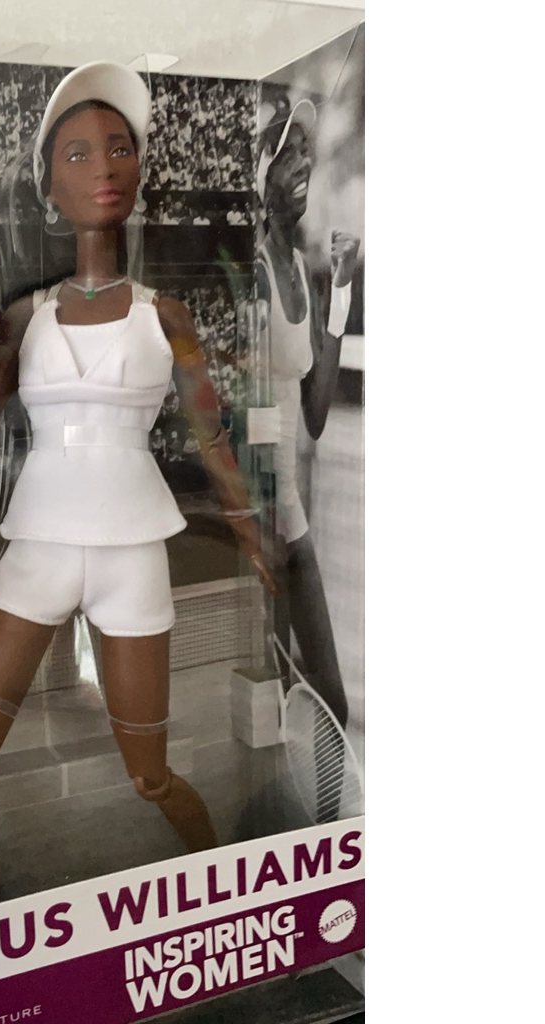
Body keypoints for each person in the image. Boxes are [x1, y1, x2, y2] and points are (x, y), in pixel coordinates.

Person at [0, 63, 275, 910]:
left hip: (135, 553)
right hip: (37, 553)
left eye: (119, 148)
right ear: (48, 186)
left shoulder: (167, 317)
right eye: (79, 153)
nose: (104, 167)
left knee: (152, 778)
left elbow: (211, 436)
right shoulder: (24, 318)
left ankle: (232, 909)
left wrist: (251, 534)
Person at [254, 93, 360, 735]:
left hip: (288, 517)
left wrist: (341, 289)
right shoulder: (250, 270)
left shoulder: (299, 267)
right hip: (254, 518)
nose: (303, 165)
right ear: (260, 173)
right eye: (287, 154)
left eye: (305, 152)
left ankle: (318, 797)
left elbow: (316, 413)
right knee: (274, 701)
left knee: (331, 707)